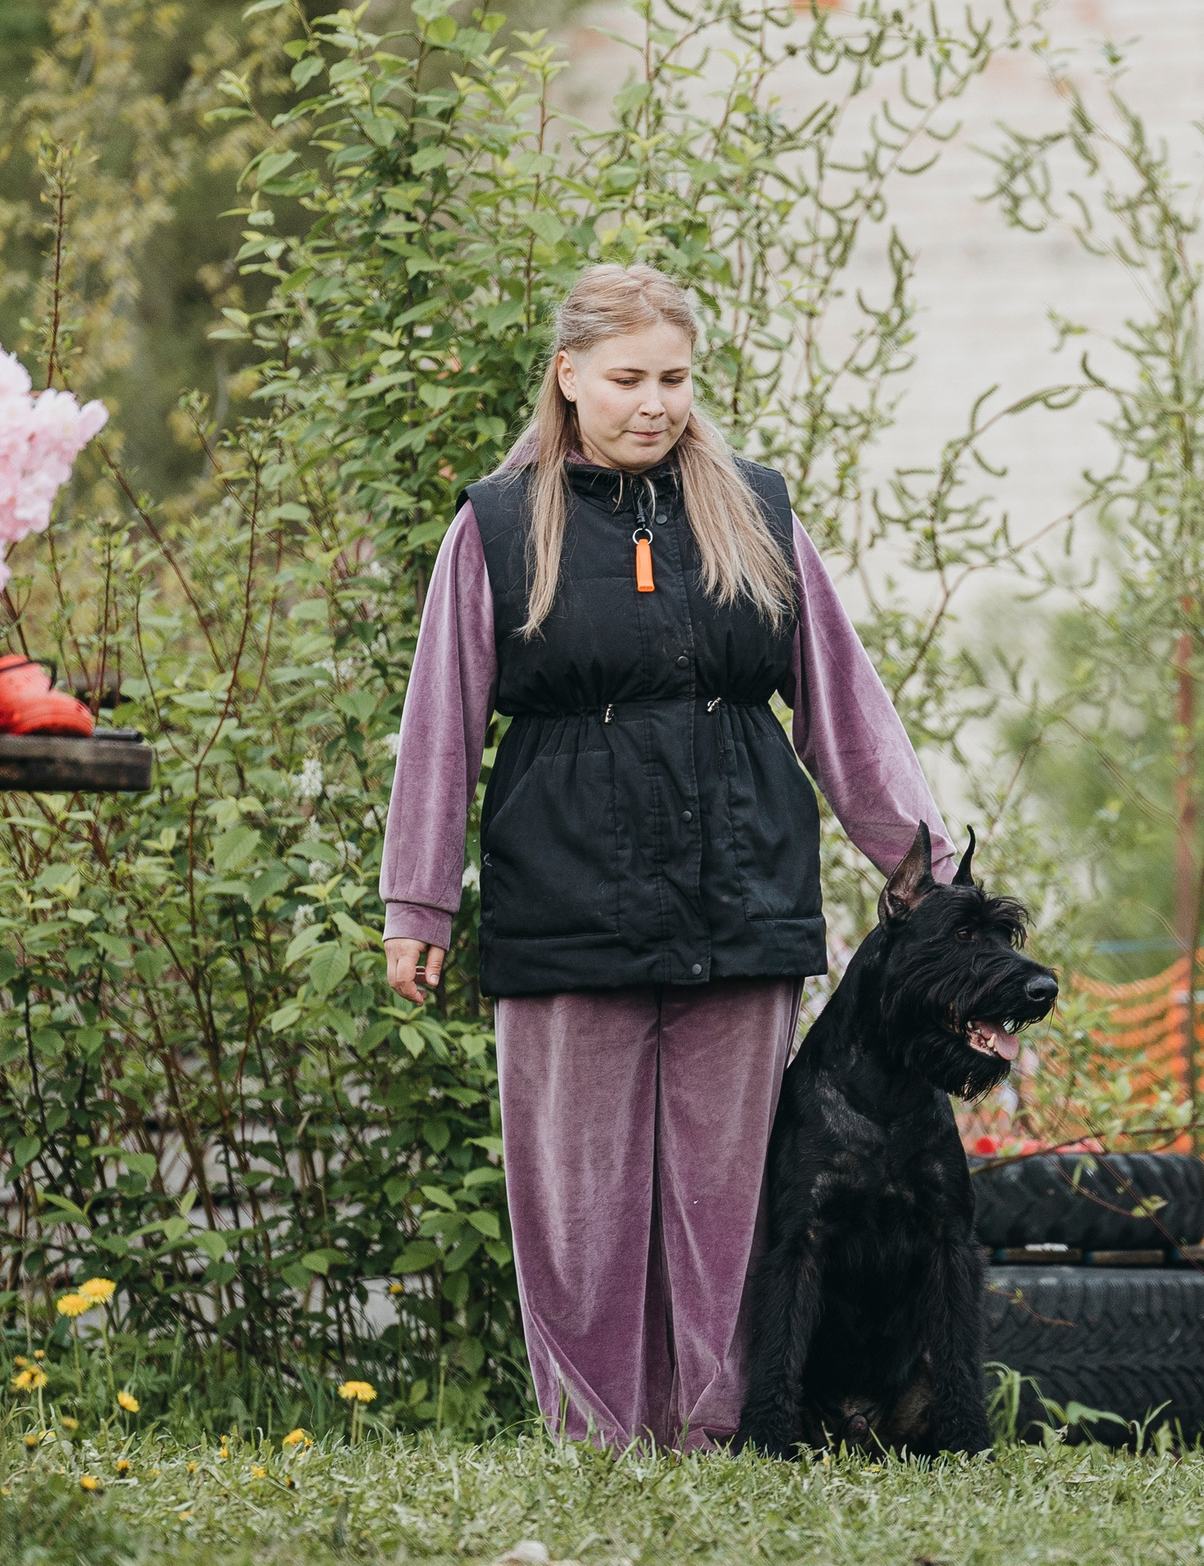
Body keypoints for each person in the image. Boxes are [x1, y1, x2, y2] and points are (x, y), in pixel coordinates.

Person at [378, 262, 956, 1451]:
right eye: (629, 378)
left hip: (741, 897)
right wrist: (417, 905)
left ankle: (717, 1427)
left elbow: (841, 705)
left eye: (676, 379)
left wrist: (917, 859)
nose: (655, 402)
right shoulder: (494, 524)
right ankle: (594, 1438)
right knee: (576, 1208)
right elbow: (438, 725)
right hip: (565, 904)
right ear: (568, 376)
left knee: (728, 1202)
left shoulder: (755, 510)